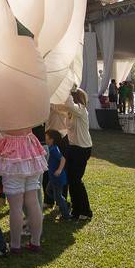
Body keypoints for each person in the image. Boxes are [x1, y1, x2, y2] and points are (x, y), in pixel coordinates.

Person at [0, 127, 46, 253]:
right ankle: (35, 243)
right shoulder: (33, 107)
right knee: (33, 201)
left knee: (15, 206)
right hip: (31, 148)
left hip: (13, 151)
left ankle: (15, 245)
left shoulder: (6, 107)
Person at [64, 88, 94, 221]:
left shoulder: (81, 109)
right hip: (73, 148)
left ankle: (86, 211)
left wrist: (68, 88)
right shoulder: (70, 112)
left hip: (82, 149)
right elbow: (61, 106)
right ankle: (76, 210)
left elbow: (69, 103)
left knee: (76, 180)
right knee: (71, 180)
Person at [45, 129, 71, 220]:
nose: (45, 139)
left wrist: (59, 169)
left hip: (57, 177)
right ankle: (64, 204)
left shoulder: (53, 149)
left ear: (51, 140)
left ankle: (66, 216)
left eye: (46, 137)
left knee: (58, 196)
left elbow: (63, 159)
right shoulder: (51, 148)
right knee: (48, 191)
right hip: (52, 177)